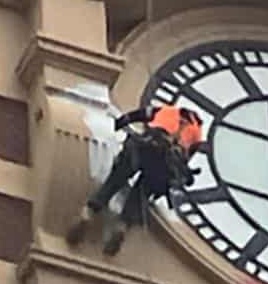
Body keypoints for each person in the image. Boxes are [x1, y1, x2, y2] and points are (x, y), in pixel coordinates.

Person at [68, 104, 204, 255]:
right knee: (142, 193)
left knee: (115, 180)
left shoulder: (166, 111)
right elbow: (185, 160)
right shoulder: (197, 133)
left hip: (145, 146)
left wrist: (117, 124)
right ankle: (122, 227)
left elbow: (134, 116)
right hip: (165, 164)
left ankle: (89, 213)